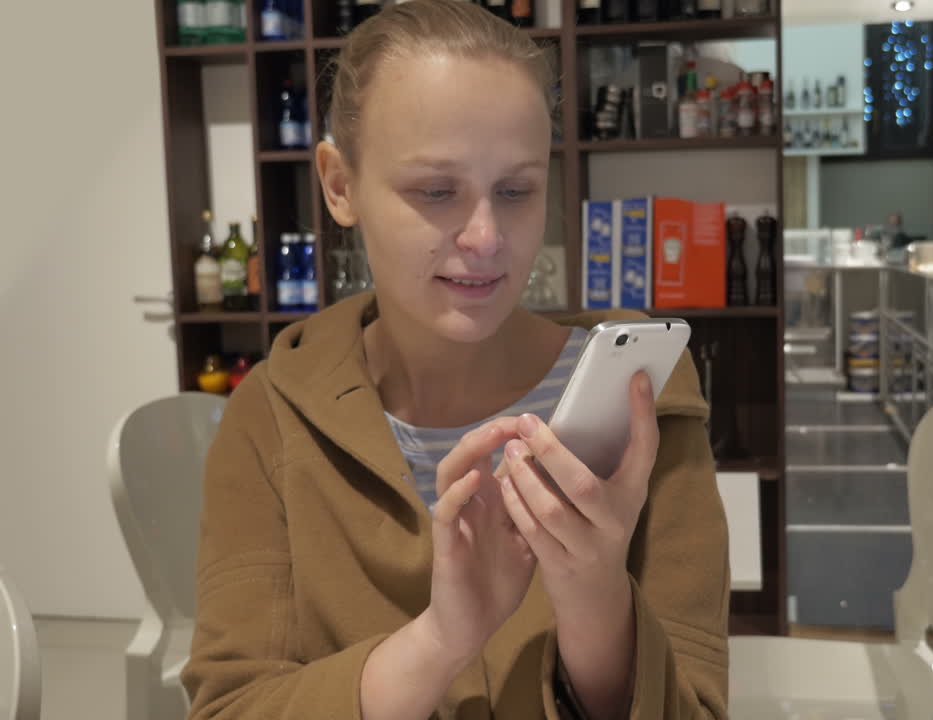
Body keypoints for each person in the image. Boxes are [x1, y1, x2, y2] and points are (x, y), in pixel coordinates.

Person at [179, 2, 730, 718]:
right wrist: (440, 640)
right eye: (437, 192)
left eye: (516, 190)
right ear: (340, 185)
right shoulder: (274, 414)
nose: (486, 237)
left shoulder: (640, 397)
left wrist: (596, 597)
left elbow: (694, 706)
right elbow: (232, 706)